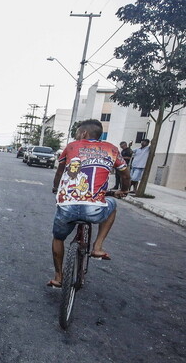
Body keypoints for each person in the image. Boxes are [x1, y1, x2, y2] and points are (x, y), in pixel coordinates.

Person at [48, 119, 130, 288]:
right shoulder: (112, 149)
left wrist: (56, 188)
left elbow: (60, 171)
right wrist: (124, 190)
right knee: (112, 204)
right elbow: (125, 175)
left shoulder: (71, 147)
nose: (77, 136)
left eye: (78, 133)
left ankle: (58, 276)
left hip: (67, 207)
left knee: (58, 238)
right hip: (94, 209)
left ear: (84, 133)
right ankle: (98, 246)